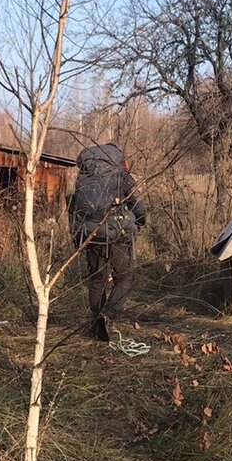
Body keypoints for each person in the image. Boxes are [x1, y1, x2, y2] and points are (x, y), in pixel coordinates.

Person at [68, 143, 147, 341]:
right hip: (117, 234)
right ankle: (108, 315)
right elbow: (135, 203)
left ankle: (96, 324)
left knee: (97, 280)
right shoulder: (120, 174)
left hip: (91, 234)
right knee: (125, 278)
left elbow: (74, 206)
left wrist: (77, 236)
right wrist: (141, 219)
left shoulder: (84, 177)